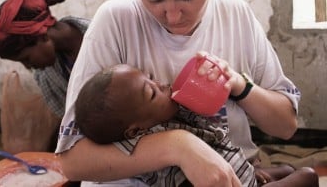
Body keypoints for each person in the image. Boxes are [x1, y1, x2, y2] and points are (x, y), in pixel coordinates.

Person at [56, 0, 308, 186]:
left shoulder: (236, 15)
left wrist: (239, 85)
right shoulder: (116, 20)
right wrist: (179, 146)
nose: (173, 15)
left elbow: (285, 126)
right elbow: (73, 162)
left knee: (296, 174)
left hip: (236, 171)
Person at [74, 64, 318, 187]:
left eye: (151, 78)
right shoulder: (153, 151)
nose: (161, 84)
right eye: (152, 92)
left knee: (286, 168)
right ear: (135, 130)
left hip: (243, 171)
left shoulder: (163, 118)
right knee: (307, 176)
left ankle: (257, 176)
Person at [0, 0, 91, 119]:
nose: (28, 66)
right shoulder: (46, 78)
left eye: (26, 58)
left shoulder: (108, 36)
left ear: (42, 36)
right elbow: (71, 120)